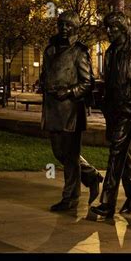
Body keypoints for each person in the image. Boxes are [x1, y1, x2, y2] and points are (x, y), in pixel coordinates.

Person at [91, 11, 131, 219]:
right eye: (107, 28)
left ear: (123, 29)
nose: (109, 32)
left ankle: (107, 203)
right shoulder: (109, 53)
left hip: (129, 111)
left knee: (116, 155)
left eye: (113, 28)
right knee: (123, 154)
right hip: (113, 111)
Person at [40, 11, 103, 211]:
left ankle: (71, 196)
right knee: (60, 152)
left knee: (70, 154)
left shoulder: (79, 51)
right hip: (52, 108)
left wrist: (68, 91)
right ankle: (91, 176)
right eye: (61, 25)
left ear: (75, 28)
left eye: (68, 25)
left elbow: (88, 82)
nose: (64, 29)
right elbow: (45, 73)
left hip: (71, 110)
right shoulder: (49, 50)